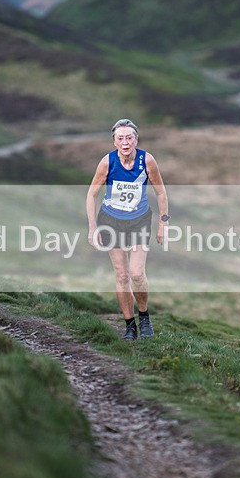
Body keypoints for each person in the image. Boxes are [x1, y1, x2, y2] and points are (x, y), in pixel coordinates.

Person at [86, 118, 169, 340]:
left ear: (136, 139)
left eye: (129, 138)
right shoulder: (107, 163)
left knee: (136, 273)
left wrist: (163, 223)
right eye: (120, 138)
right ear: (114, 142)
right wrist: (93, 227)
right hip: (111, 220)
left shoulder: (147, 160)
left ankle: (144, 316)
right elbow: (91, 194)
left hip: (139, 220)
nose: (125, 142)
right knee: (122, 275)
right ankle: (129, 325)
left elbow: (161, 192)